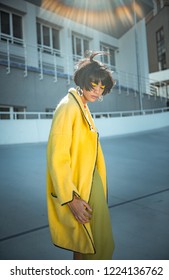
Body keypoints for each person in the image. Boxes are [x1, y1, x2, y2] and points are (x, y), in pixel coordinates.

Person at [46, 51, 115, 260]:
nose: (97, 91)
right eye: (93, 85)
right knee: (92, 243)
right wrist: (71, 198)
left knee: (90, 243)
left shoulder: (83, 106)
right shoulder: (68, 107)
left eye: (101, 87)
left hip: (90, 183)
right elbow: (57, 157)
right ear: (83, 81)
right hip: (80, 189)